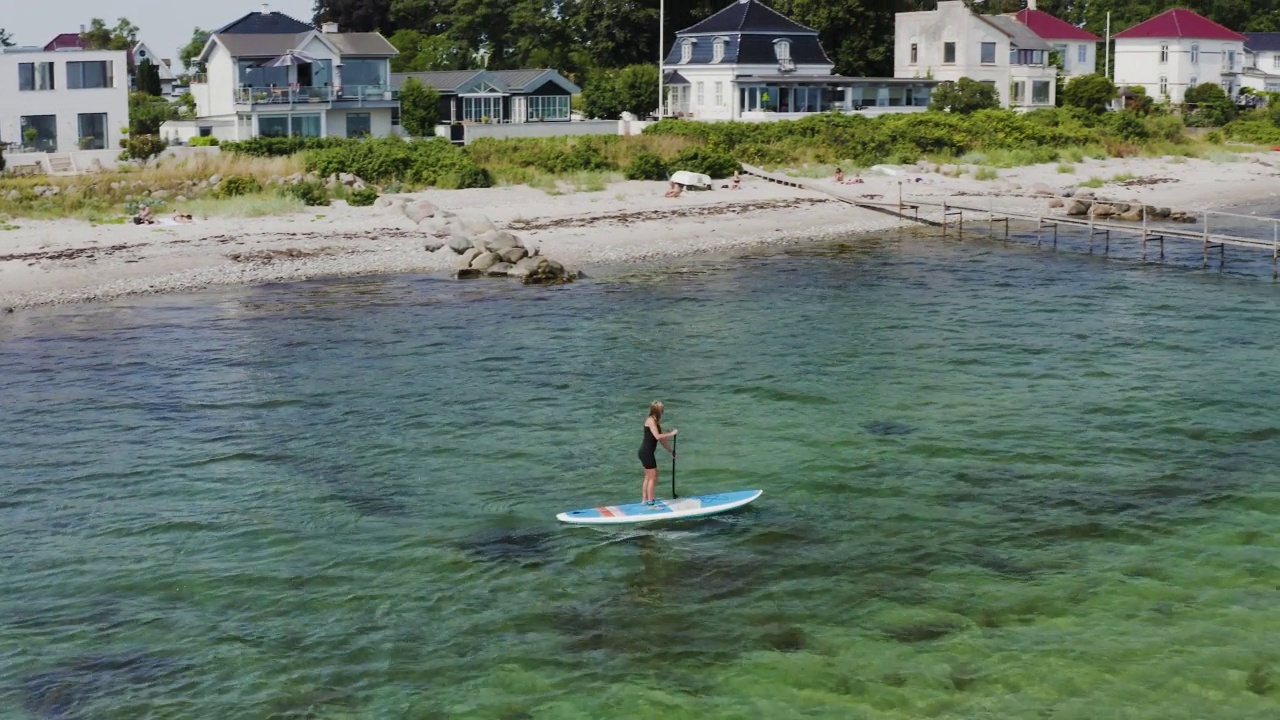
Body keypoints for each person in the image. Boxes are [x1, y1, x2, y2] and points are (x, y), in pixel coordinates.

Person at [638, 400, 677, 505]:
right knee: (653, 477)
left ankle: (645, 500)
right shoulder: (650, 420)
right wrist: (672, 433)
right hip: (646, 452)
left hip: (645, 452)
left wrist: (671, 451)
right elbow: (657, 436)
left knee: (648, 477)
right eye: (662, 410)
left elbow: (662, 440)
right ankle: (650, 502)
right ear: (657, 411)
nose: (663, 412)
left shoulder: (655, 422)